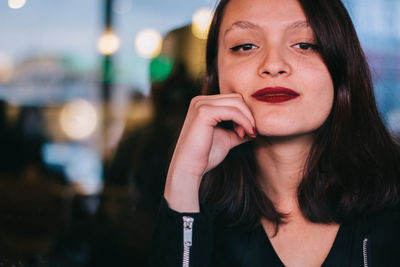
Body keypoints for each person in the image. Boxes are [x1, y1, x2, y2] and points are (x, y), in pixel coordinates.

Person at [150, 0, 400, 266]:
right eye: (245, 46)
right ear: (216, 74)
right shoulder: (197, 209)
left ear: (342, 68)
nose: (273, 65)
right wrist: (184, 179)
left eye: (304, 44)